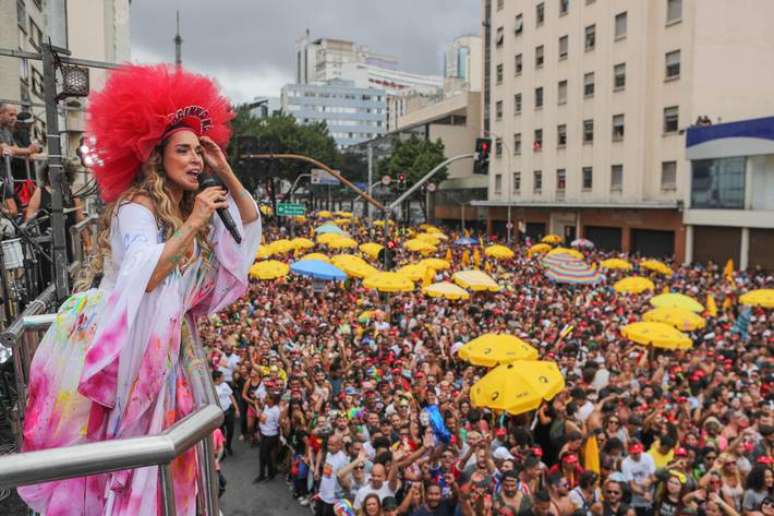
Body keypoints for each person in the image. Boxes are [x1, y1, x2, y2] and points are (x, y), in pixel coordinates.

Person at [17, 64, 260, 516]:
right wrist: (192, 225)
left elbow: (246, 227)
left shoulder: (191, 201)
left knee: (171, 460)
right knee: (123, 460)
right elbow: (142, 275)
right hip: (123, 349)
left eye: (200, 152)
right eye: (183, 150)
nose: (194, 160)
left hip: (164, 354)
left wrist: (224, 171)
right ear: (156, 156)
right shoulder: (136, 207)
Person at [212, 370, 239, 456]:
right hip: (219, 414)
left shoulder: (225, 385)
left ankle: (228, 445)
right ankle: (222, 450)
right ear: (217, 378)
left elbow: (231, 396)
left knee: (231, 430)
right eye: (222, 377)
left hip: (229, 411)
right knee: (221, 432)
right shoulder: (211, 388)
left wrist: (237, 409)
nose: (224, 378)